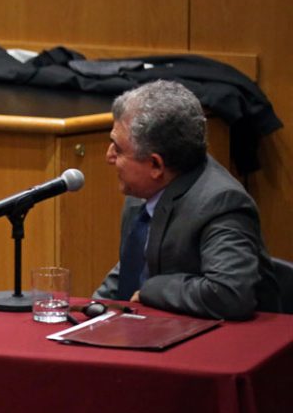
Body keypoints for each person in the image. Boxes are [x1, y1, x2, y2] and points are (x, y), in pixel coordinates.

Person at [93, 80, 281, 319]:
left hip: (224, 345)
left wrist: (152, 289)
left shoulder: (221, 203)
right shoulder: (142, 193)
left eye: (118, 149)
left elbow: (229, 294)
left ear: (155, 165)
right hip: (157, 330)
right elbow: (134, 267)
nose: (109, 156)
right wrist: (91, 309)